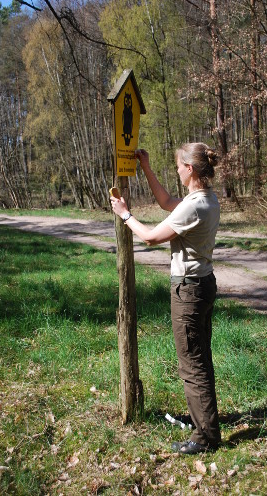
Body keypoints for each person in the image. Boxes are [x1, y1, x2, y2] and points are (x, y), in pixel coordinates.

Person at [110, 143, 221, 454]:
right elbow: (167, 202)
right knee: (200, 359)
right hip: (204, 284)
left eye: (178, 165)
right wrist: (146, 167)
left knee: (192, 364)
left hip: (189, 291)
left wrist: (125, 214)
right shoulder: (207, 199)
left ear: (191, 169)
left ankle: (206, 438)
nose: (176, 169)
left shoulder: (195, 206)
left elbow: (149, 237)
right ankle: (206, 424)